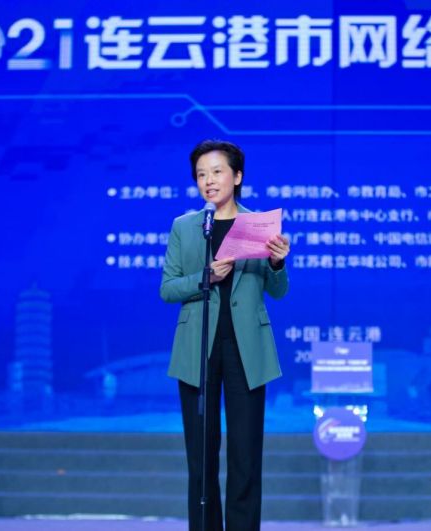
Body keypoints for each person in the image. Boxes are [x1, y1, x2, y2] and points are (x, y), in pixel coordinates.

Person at [160, 139, 290, 531]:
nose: (209, 181)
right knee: (201, 456)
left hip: (247, 349)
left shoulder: (258, 226)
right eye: (201, 174)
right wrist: (205, 277)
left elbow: (278, 291)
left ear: (237, 176)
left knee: (245, 455)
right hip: (197, 348)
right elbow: (167, 289)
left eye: (217, 172)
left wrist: (277, 262)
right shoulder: (185, 227)